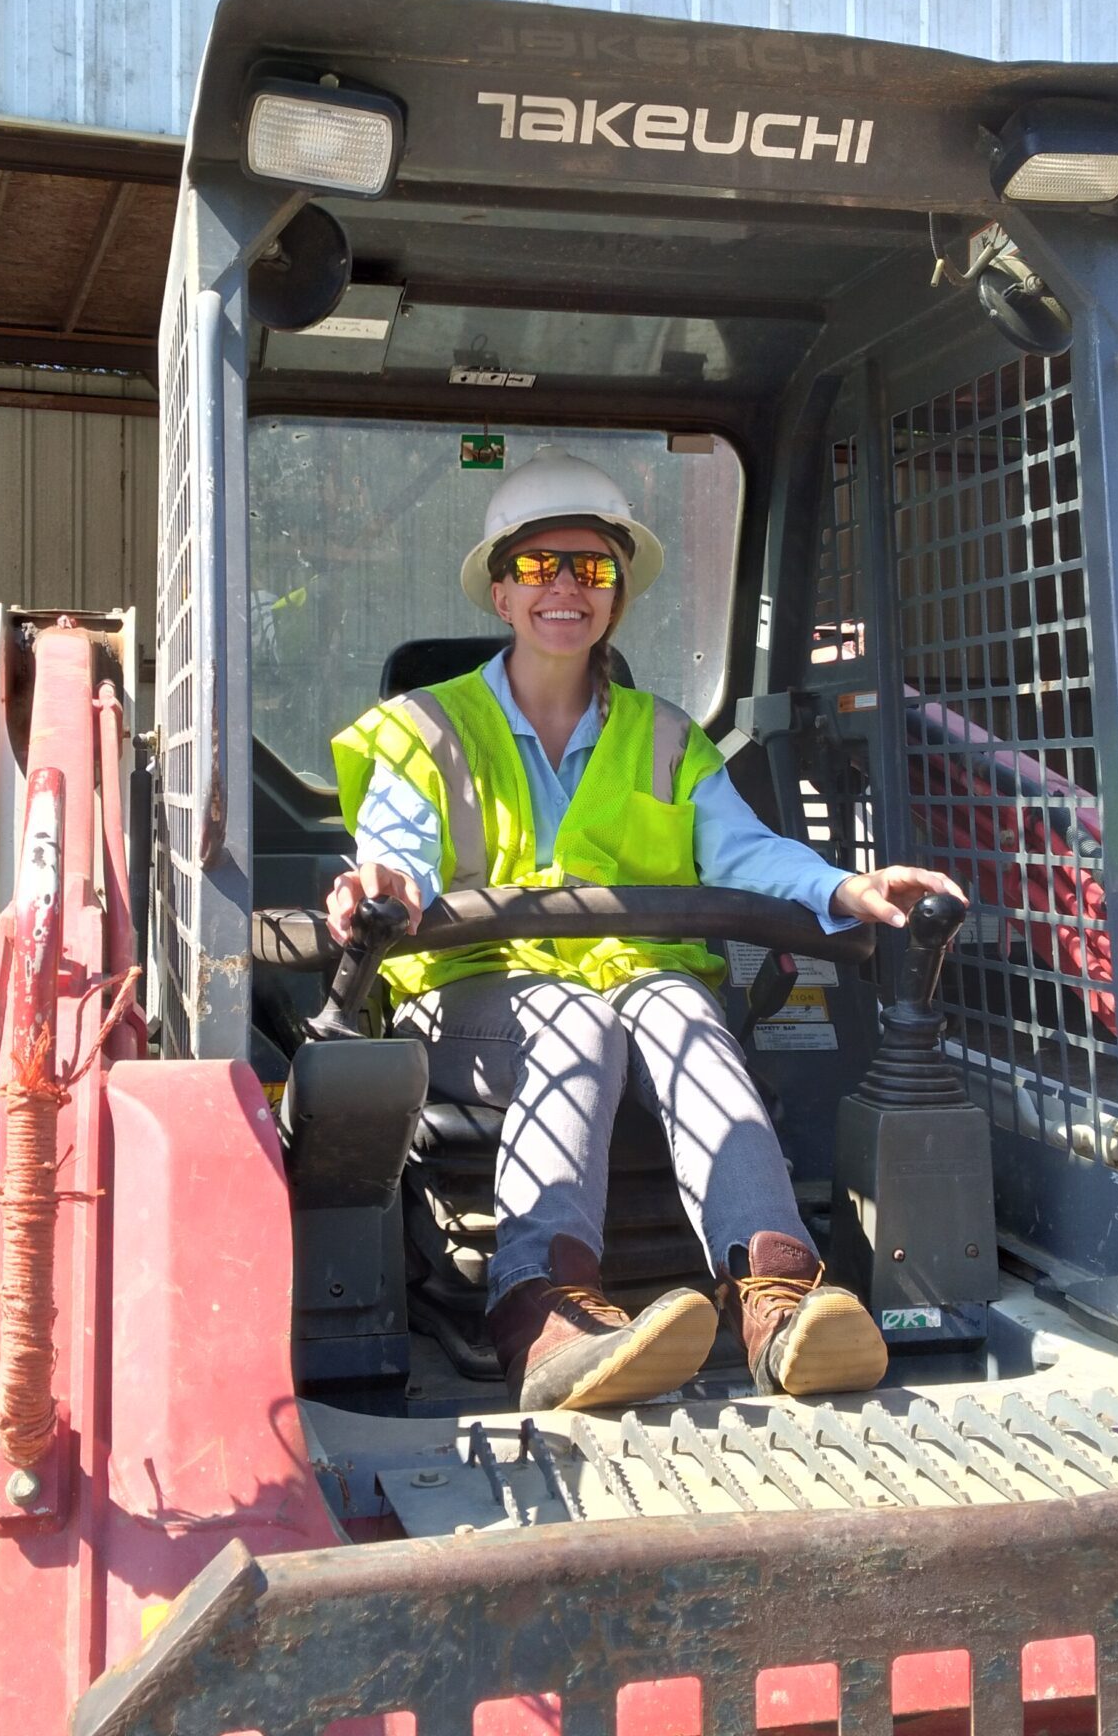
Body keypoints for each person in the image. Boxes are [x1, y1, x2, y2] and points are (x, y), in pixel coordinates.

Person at [326, 448, 965, 1413]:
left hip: (631, 979)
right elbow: (400, 854)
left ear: (618, 596)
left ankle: (777, 1295)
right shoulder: (424, 730)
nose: (568, 589)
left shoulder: (667, 737)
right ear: (501, 591)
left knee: (685, 1009)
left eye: (593, 569)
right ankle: (538, 1307)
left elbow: (745, 854)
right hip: (475, 997)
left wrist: (848, 885)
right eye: (542, 568)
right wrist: (381, 882)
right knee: (577, 1024)